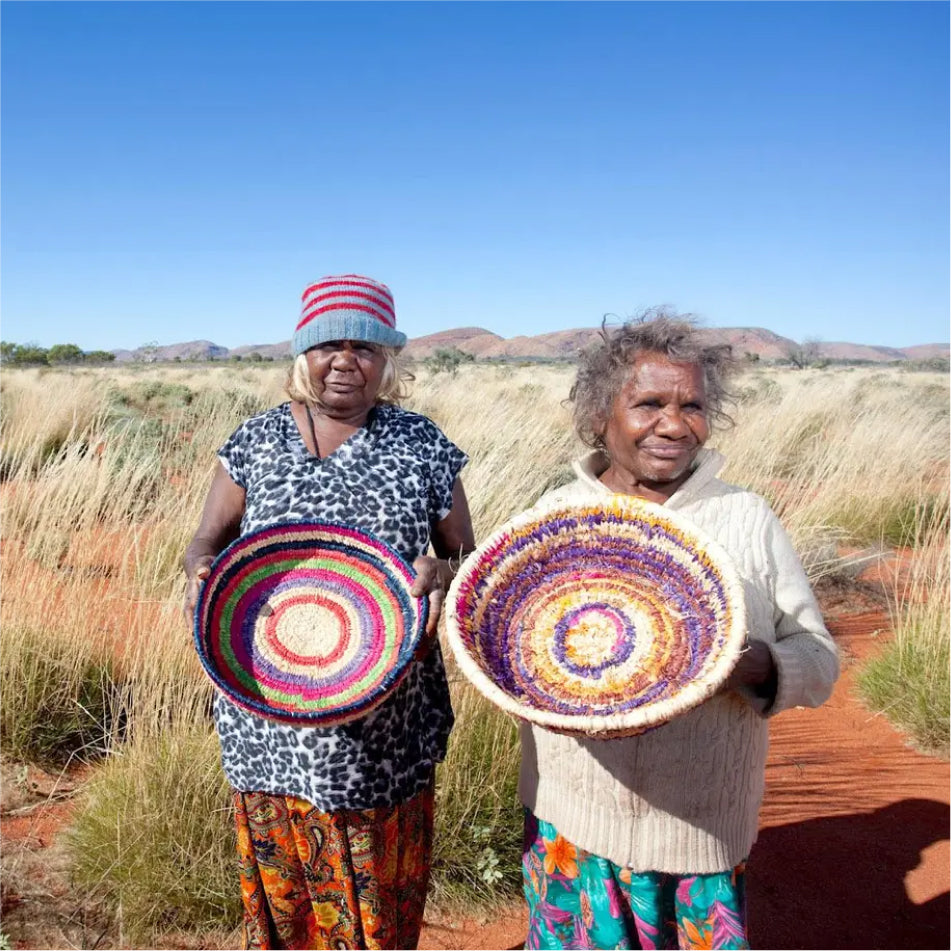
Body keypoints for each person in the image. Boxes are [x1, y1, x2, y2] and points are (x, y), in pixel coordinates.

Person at [517, 313, 839, 950]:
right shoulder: (551, 519)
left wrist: (756, 664)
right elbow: (502, 654)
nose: (673, 424)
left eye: (691, 405)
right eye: (648, 403)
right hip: (571, 824)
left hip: (697, 832)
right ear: (597, 415)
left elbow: (819, 658)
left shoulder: (744, 518)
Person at [183, 274, 475, 951]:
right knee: (284, 893)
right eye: (330, 345)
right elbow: (206, 539)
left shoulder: (422, 445)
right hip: (267, 708)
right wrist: (200, 571)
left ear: (388, 362)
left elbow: (466, 557)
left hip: (385, 718)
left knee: (378, 894)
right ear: (302, 355)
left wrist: (444, 571)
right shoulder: (253, 441)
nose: (347, 360)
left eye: (366, 348)